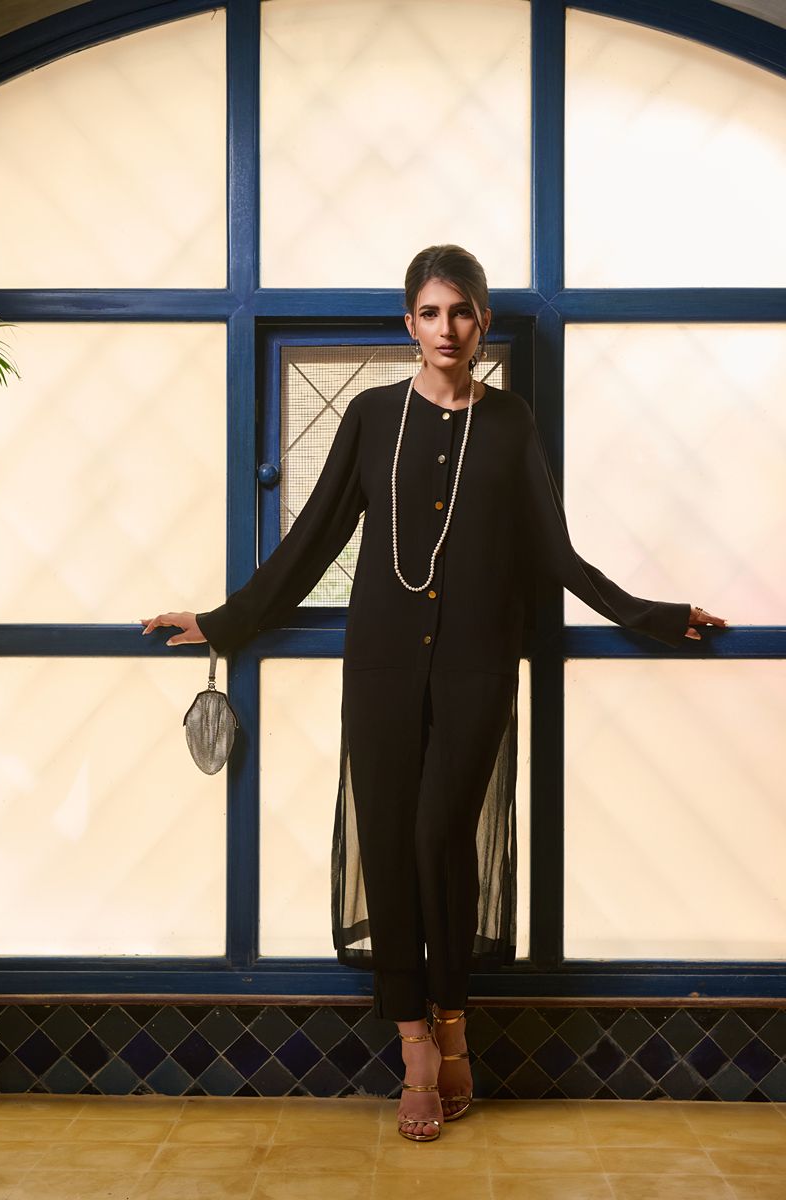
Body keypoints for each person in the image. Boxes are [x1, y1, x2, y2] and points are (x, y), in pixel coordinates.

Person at [141, 244, 728, 1142]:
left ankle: (454, 1016)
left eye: (461, 312)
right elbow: (312, 538)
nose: (446, 329)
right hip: (380, 661)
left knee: (439, 838)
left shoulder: (510, 422)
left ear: (482, 321)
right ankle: (418, 1041)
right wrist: (224, 622)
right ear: (408, 323)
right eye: (430, 312)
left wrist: (652, 615)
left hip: (475, 662)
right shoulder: (373, 416)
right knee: (388, 838)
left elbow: (555, 551)